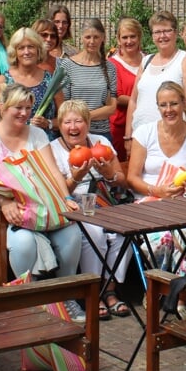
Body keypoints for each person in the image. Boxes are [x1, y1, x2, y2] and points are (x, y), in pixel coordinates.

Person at [0, 84, 84, 320]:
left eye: (28, 107)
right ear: (3, 106)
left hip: (40, 209)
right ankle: (27, 298)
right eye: (18, 107)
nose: (24, 113)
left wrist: (65, 198)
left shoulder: (36, 133)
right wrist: (4, 202)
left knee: (72, 234)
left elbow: (53, 172)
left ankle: (66, 295)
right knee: (24, 242)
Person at [49, 100, 130, 319]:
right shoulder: (53, 149)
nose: (73, 127)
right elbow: (58, 191)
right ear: (60, 125)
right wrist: (75, 177)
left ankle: (110, 289)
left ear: (88, 123)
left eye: (79, 121)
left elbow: (121, 180)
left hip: (104, 200)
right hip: (75, 203)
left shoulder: (100, 142)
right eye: (67, 122)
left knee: (124, 234)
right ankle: (94, 293)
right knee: (93, 234)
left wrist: (108, 174)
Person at [125, 11, 186, 147]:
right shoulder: (146, 61)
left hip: (173, 140)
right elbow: (133, 101)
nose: (162, 36)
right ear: (152, 36)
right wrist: (128, 137)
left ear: (176, 33)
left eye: (167, 31)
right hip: (140, 139)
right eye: (157, 32)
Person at [126, 81, 186, 199]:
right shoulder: (144, 132)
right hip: (146, 199)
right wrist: (156, 191)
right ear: (158, 107)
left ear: (183, 103)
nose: (168, 110)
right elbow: (132, 178)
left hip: (181, 202)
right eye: (163, 105)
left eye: (174, 104)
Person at [0, 27, 63, 133]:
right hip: (12, 144)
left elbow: (64, 118)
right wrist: (12, 130)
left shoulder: (51, 81)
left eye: (31, 47)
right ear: (15, 52)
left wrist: (48, 123)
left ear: (38, 50)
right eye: (21, 48)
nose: (26, 52)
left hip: (44, 143)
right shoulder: (3, 81)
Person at [58, 18, 117, 140]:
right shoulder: (68, 65)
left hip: (101, 133)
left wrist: (84, 117)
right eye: (88, 37)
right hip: (74, 133)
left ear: (103, 38)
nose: (92, 41)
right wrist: (80, 121)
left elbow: (111, 107)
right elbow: (65, 105)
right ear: (81, 37)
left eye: (96, 37)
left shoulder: (110, 68)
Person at [108, 17, 145, 161]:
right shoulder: (112, 64)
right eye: (124, 37)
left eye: (132, 36)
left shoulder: (149, 60)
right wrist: (143, 101)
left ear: (139, 37)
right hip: (120, 128)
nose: (129, 41)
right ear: (118, 39)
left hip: (145, 125)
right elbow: (117, 97)